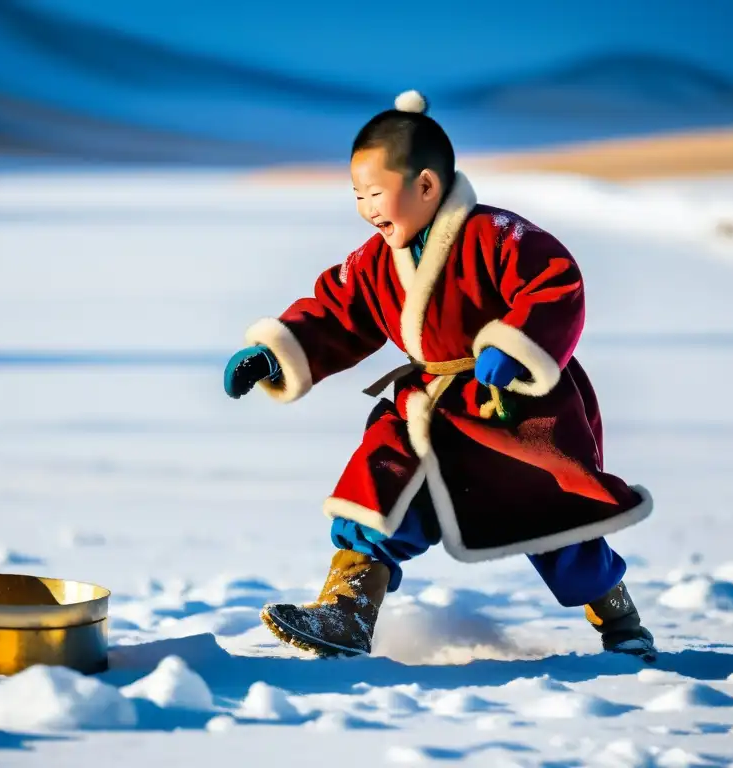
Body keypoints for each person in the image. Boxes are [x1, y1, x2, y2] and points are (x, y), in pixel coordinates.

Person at [223, 90, 656, 661]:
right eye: (357, 195)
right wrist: (279, 353)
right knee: (380, 485)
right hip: (426, 405)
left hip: (513, 409)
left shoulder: (498, 235)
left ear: (426, 186)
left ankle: (619, 619)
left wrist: (516, 343)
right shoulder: (375, 260)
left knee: (553, 516)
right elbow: (337, 311)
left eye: (375, 193)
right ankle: (347, 612)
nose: (366, 208)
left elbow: (556, 285)